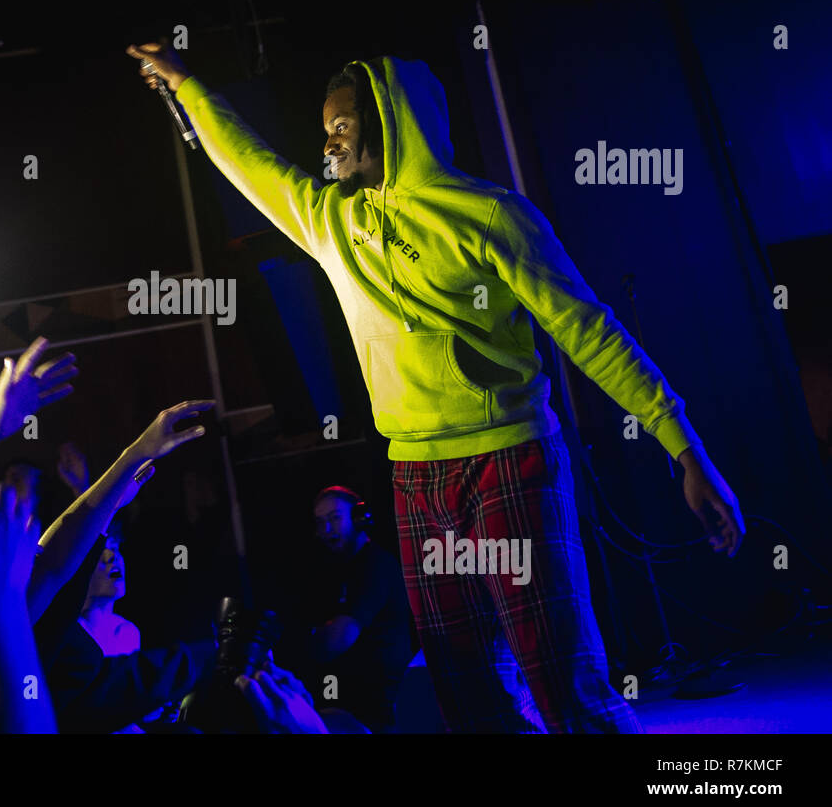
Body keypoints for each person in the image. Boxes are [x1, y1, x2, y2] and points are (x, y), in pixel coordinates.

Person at [126, 41, 745, 733]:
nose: (326, 142)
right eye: (324, 126)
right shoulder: (334, 223)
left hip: (510, 459)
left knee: (560, 676)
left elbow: (590, 332)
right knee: (466, 688)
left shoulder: (490, 216)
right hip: (415, 474)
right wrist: (190, 88)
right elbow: (251, 163)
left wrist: (683, 445)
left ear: (388, 123)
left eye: (340, 125)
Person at [305, 486, 412, 733]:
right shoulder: (338, 569)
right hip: (355, 703)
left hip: (379, 707)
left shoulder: (375, 565)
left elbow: (338, 638)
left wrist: (301, 645)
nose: (327, 530)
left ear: (359, 518)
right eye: (320, 522)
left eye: (334, 518)